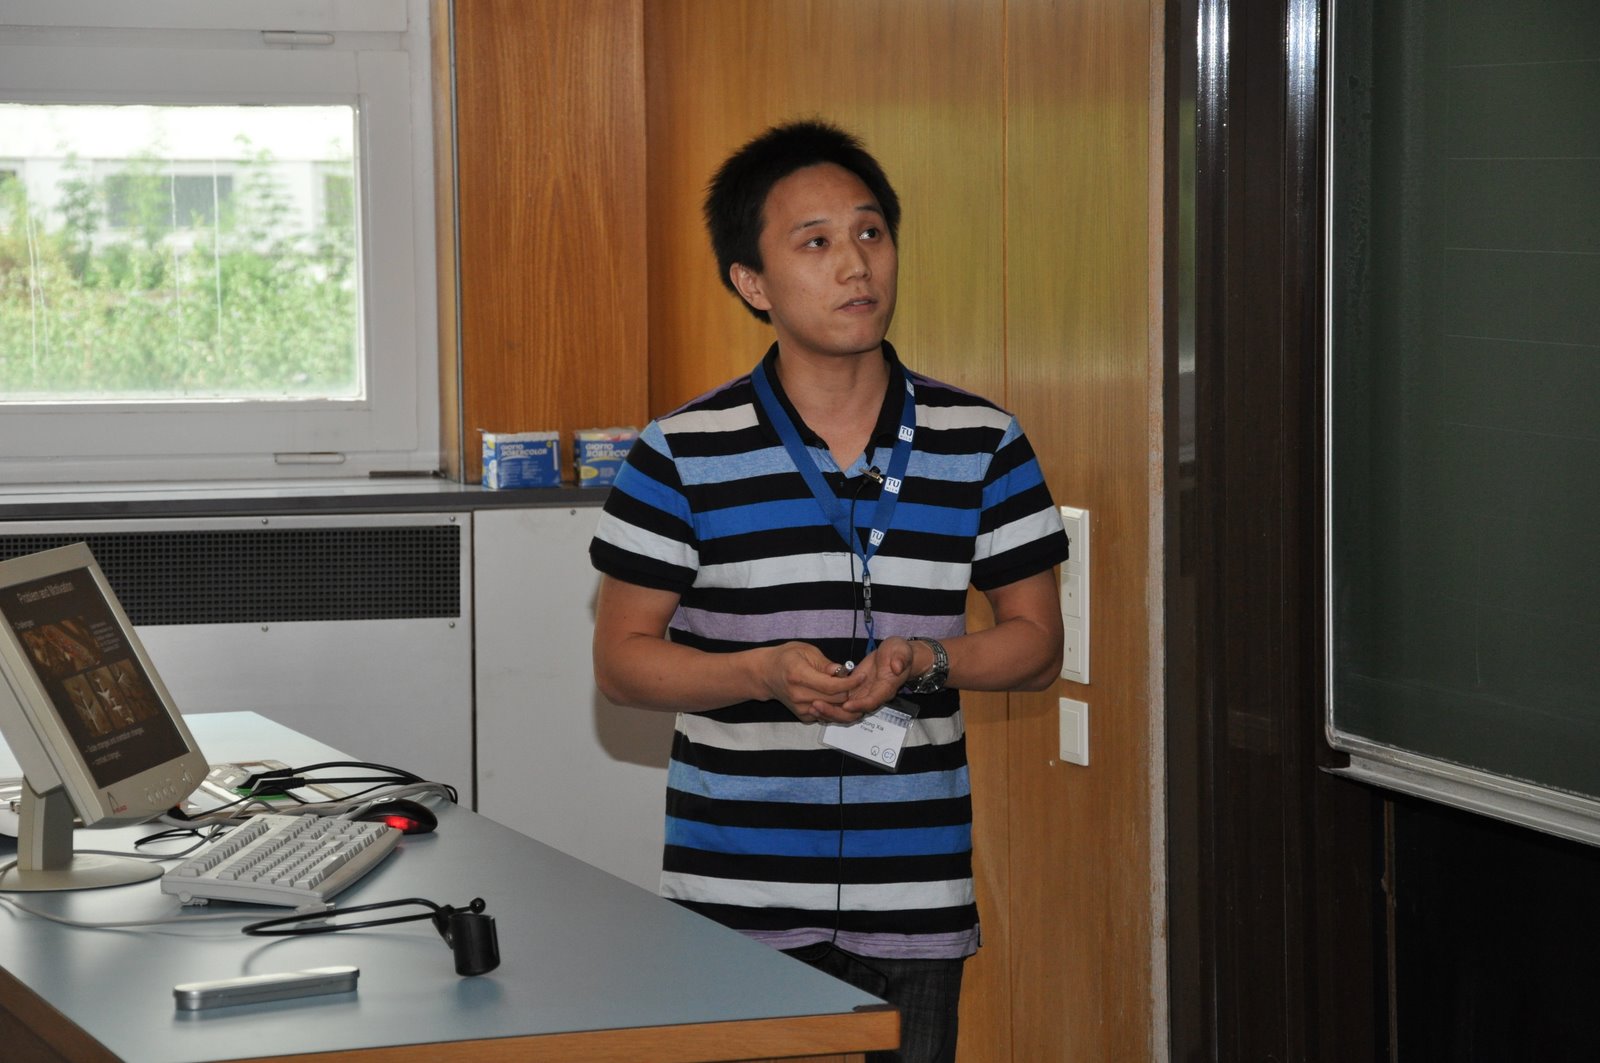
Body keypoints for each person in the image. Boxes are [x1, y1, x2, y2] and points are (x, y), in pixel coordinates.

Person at [589, 119, 1068, 1063]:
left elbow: (1037, 642)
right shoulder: (680, 451)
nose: (855, 265)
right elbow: (622, 662)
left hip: (915, 892)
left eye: (870, 232)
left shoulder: (982, 441)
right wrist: (759, 672)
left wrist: (927, 659)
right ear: (753, 283)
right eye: (815, 243)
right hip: (736, 892)